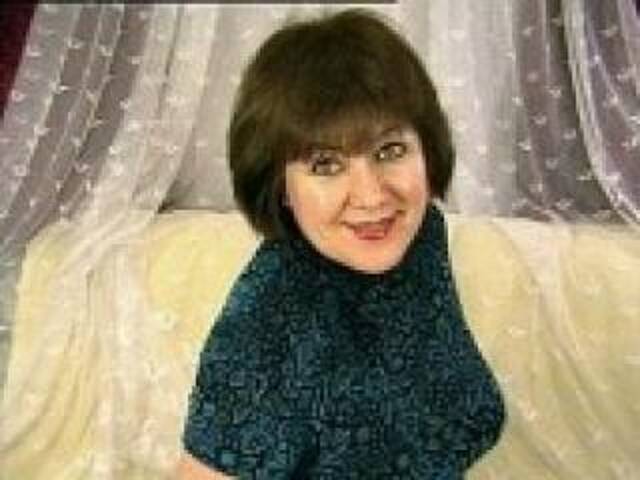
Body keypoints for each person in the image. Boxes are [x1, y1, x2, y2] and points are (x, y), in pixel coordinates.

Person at [177, 8, 505, 479]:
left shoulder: (420, 236)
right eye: (326, 164)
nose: (371, 196)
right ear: (279, 185)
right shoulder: (262, 330)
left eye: (390, 150)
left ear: (427, 150)